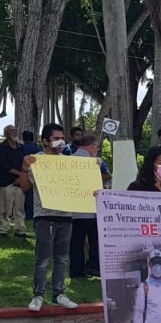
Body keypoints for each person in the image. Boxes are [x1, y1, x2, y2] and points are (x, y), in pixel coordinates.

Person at [24, 123, 78, 311]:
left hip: (65, 214)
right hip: (44, 215)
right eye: (55, 138)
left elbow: (80, 184)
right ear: (45, 141)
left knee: (62, 258)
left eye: (62, 137)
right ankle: (38, 295)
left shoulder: (68, 161)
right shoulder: (36, 161)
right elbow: (24, 186)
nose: (60, 141)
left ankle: (59, 293)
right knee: (43, 257)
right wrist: (25, 168)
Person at [70, 133, 102, 278]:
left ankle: (76, 270)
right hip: (90, 208)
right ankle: (93, 265)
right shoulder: (93, 162)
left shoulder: (69, 161)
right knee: (95, 240)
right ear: (91, 146)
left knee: (76, 242)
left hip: (73, 209)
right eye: (96, 146)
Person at [0, 124, 28, 238]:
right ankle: (3, 229)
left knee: (19, 208)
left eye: (15, 130)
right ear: (6, 134)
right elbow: (3, 165)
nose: (15, 132)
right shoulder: (2, 147)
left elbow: (25, 162)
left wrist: (22, 177)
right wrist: (19, 174)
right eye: (11, 131)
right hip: (6, 181)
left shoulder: (21, 147)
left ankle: (20, 229)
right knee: (5, 208)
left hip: (19, 182)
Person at [21, 130, 40, 220]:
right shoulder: (38, 149)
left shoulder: (21, 148)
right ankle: (32, 213)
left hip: (25, 173)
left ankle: (27, 214)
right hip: (37, 174)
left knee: (26, 195)